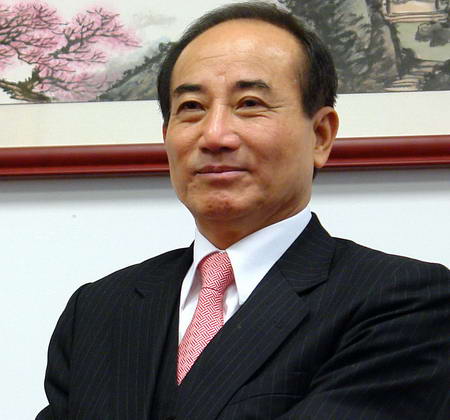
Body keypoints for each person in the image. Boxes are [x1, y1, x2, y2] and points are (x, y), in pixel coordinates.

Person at [37, 2, 450, 419]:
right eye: (191, 107)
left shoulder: (406, 301)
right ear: (166, 137)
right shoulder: (99, 308)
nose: (214, 135)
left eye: (250, 103)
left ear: (321, 135)